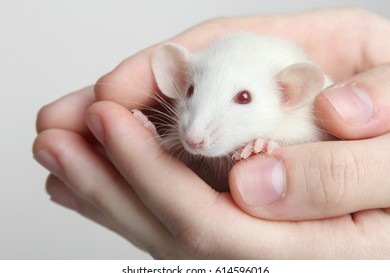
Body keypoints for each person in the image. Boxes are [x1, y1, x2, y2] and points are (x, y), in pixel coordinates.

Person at [33, 8, 390, 259]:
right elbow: (191, 162)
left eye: (243, 98)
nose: (195, 134)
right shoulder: (186, 121)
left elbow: (319, 146)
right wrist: (156, 140)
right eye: (190, 92)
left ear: (290, 92)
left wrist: (274, 147)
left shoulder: (308, 113)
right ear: (180, 78)